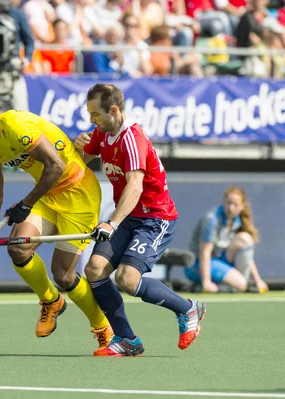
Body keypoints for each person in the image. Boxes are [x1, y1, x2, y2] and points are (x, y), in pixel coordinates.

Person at [0, 95, 113, 353]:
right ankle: (51, 301)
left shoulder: (15, 124)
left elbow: (56, 166)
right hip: (47, 195)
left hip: (79, 195)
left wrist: (26, 203)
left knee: (64, 275)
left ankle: (104, 329)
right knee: (18, 248)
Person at [73, 84, 206, 357]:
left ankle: (187, 308)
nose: (91, 120)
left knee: (127, 278)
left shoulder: (132, 138)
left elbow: (135, 186)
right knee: (95, 269)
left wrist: (111, 222)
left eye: (95, 114)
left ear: (114, 110)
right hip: (129, 216)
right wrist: (77, 148)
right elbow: (81, 161)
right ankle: (126, 339)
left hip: (155, 219)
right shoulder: (102, 132)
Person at [184, 186, 269, 294]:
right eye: (228, 203)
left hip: (219, 261)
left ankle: (239, 284)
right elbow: (205, 252)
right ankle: (200, 287)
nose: (231, 207)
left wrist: (258, 280)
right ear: (223, 202)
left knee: (245, 239)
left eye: (235, 204)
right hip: (197, 265)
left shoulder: (237, 221)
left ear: (242, 206)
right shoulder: (211, 219)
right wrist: (207, 282)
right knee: (241, 284)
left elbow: (248, 257)